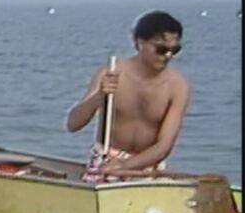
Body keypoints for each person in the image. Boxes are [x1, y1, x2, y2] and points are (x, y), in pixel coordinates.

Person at [65, 10, 191, 182]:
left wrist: (125, 165)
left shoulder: (178, 86)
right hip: (107, 159)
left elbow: (164, 145)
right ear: (140, 42)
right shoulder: (111, 73)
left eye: (174, 50)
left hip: (148, 164)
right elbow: (73, 124)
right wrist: (99, 97)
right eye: (161, 49)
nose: (168, 56)